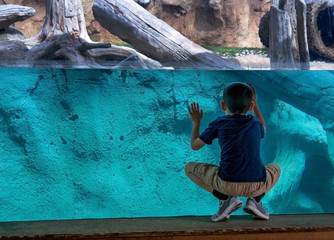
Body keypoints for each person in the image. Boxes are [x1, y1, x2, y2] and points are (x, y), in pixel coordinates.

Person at [185, 82, 281, 221]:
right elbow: (263, 127)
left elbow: (195, 145)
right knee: (276, 168)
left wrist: (196, 123)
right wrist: (256, 104)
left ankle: (225, 198)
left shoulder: (219, 123)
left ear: (223, 105)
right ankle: (255, 200)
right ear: (251, 106)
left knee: (189, 168)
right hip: (257, 185)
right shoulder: (255, 123)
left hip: (226, 184)